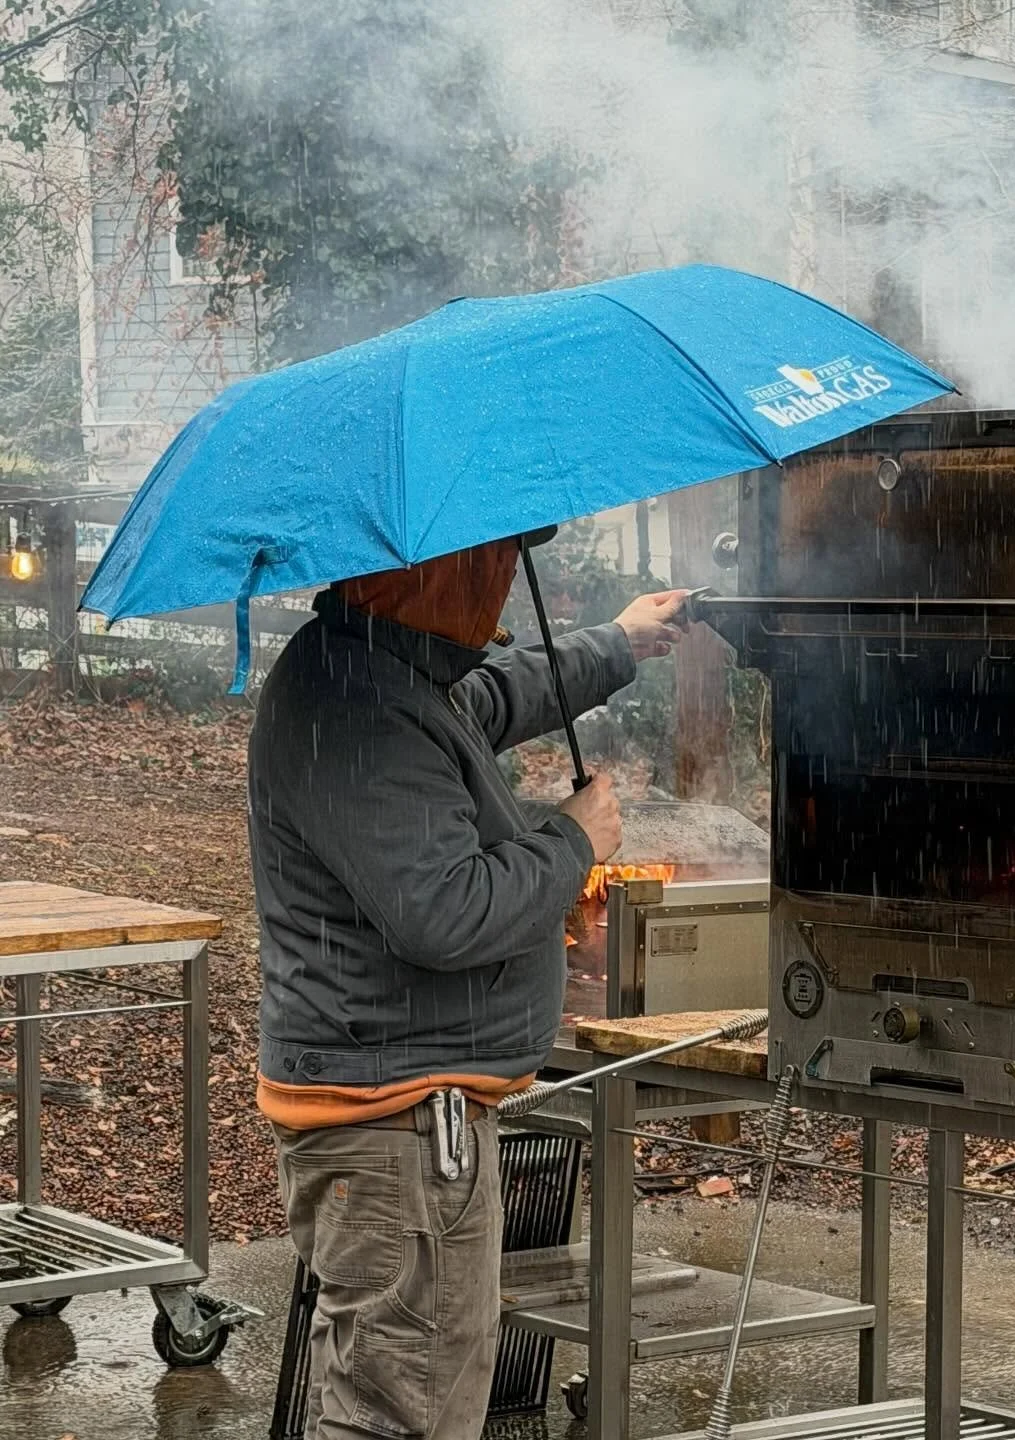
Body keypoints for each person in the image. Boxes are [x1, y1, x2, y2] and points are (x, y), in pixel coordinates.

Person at [248, 535, 687, 1439]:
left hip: (396, 1118)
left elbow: (485, 699)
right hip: (396, 1136)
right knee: (406, 1413)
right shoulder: (358, 707)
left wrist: (615, 642)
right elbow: (443, 912)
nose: (500, 584)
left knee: (407, 1397)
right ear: (418, 564)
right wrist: (572, 841)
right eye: (488, 559)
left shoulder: (373, 670)